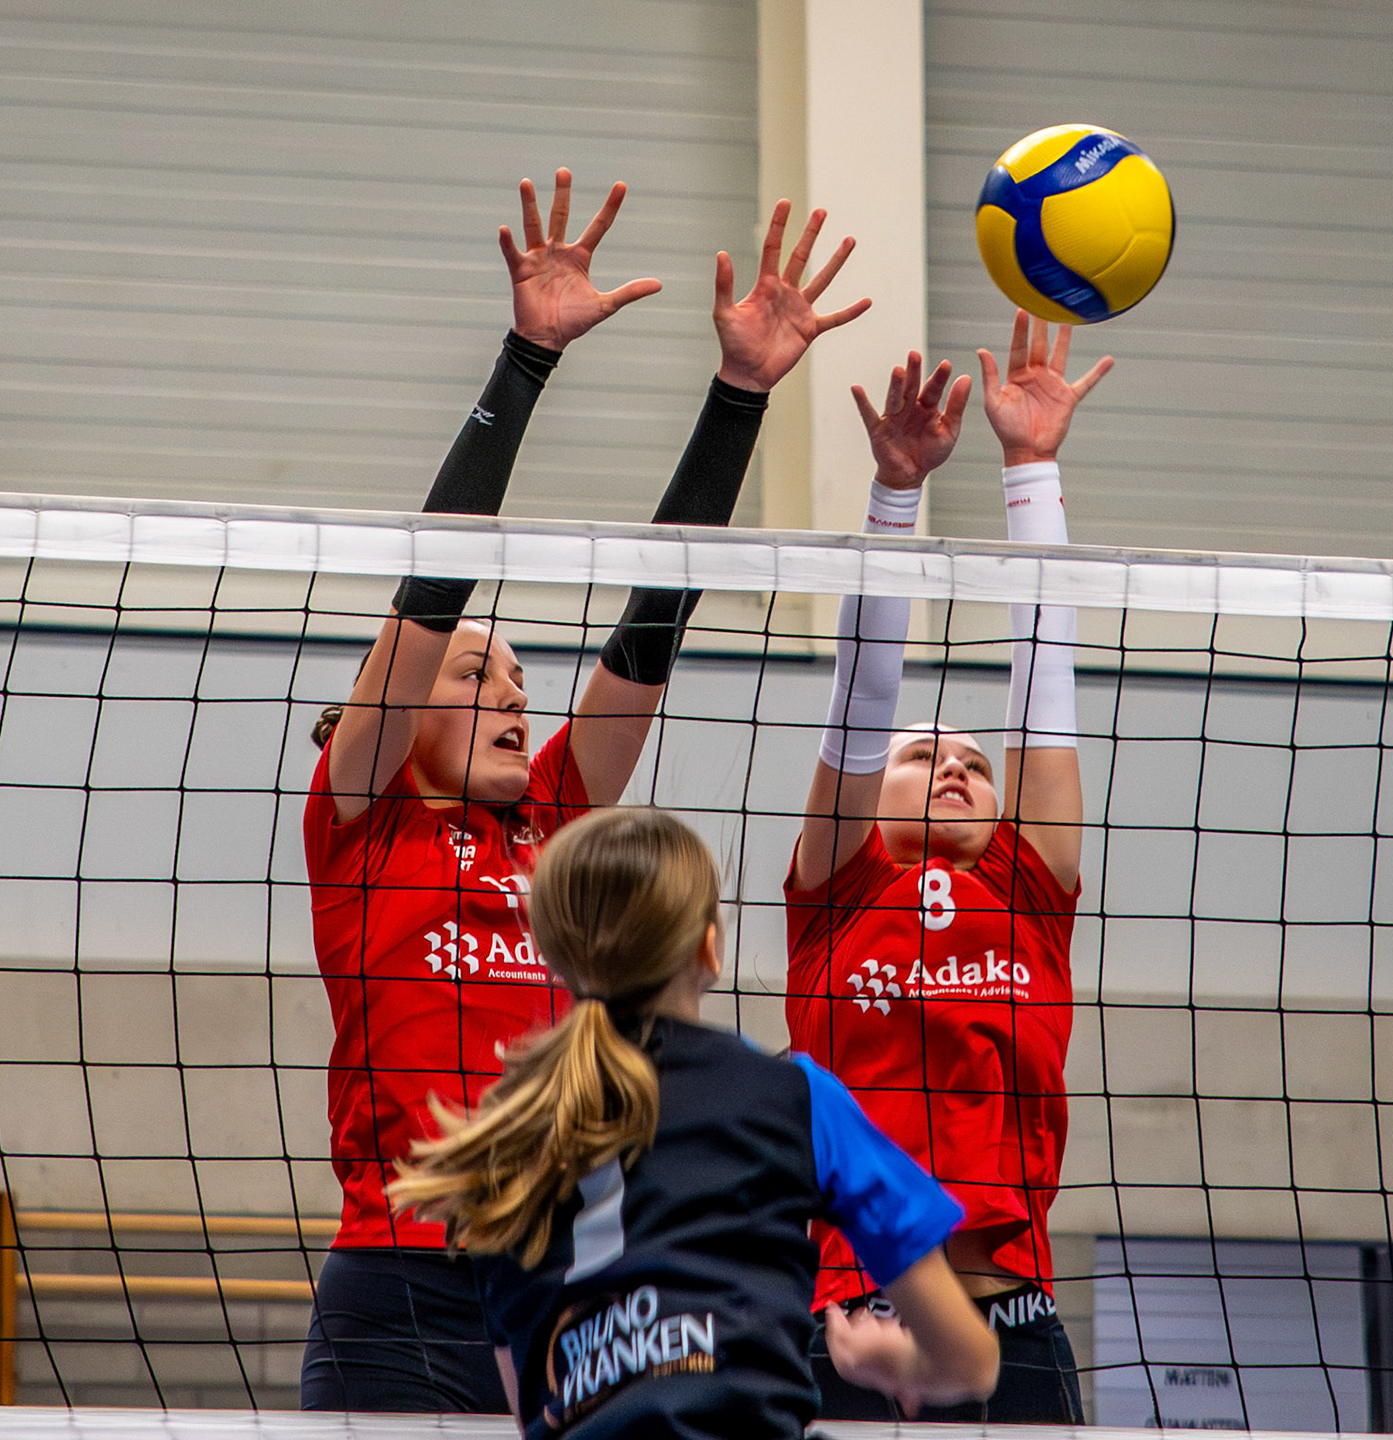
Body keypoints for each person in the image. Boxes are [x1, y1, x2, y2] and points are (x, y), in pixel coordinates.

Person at [301, 169, 869, 1413]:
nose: (515, 697)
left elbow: (652, 626)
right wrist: (527, 360)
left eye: (521, 679)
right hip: (400, 1287)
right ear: (401, 706)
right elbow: (430, 588)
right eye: (478, 676)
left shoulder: (554, 817)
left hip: (569, 1286)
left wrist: (741, 394)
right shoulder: (361, 821)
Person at [388, 806, 1001, 1439]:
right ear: (708, 947)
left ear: (551, 957)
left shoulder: (502, 1138)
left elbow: (532, 1412)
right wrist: (897, 1363)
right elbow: (972, 1362)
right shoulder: (796, 1097)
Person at [784, 312, 1114, 1424]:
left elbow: (1045, 676)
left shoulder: (1029, 887)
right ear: (870, 792)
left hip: (1014, 1328)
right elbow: (862, 691)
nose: (959, 768)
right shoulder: (839, 889)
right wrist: (897, 494)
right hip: (853, 1325)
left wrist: (1032, 469)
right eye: (924, 756)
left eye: (976, 762)